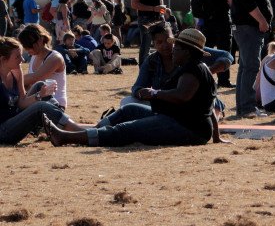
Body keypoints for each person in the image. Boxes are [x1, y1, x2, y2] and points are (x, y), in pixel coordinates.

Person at [45, 29, 221, 147]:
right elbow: (209, 105)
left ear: (188, 52)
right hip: (182, 121)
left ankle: (66, 137)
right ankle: (90, 132)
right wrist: (216, 135)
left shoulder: (192, 70)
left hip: (186, 128)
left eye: (177, 48)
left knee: (125, 130)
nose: (172, 50)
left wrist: (155, 93)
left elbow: (182, 96)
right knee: (128, 109)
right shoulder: (196, 67)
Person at [0, 38, 84, 145]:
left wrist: (40, 94)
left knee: (40, 86)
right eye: (17, 57)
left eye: (21, 55)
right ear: (3, 59)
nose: (22, 59)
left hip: (15, 118)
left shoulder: (16, 71)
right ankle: (83, 133)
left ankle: (61, 125)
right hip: (3, 131)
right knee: (40, 107)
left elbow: (21, 102)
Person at [230, 0, 273, 117]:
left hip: (248, 26)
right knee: (250, 66)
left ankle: (243, 106)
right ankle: (247, 107)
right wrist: (262, 20)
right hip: (249, 26)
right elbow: (248, 3)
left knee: (246, 66)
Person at [198, 0, 235, 88]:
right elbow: (231, 3)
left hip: (207, 23)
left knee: (205, 51)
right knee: (224, 51)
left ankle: (203, 76)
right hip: (223, 22)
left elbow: (195, 4)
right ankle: (223, 80)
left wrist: (202, 17)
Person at [17, 24, 68, 110]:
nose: (28, 51)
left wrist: (11, 80)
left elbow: (36, 78)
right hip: (38, 102)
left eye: (30, 47)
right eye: (26, 47)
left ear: (40, 40)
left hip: (55, 104)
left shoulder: (55, 57)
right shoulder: (34, 57)